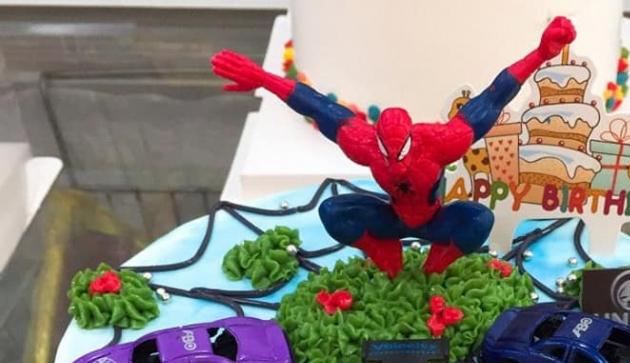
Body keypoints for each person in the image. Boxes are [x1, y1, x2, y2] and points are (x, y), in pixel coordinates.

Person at [212, 17, 575, 277]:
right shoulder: (363, 143)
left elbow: (493, 98)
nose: (397, 165)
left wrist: (540, 53)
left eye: (400, 155)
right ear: (377, 143)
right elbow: (316, 105)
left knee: (480, 219)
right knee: (332, 211)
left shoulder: (442, 142)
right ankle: (379, 248)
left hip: (437, 220)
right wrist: (263, 78)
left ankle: (439, 262)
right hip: (391, 218)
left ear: (413, 141)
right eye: (389, 154)